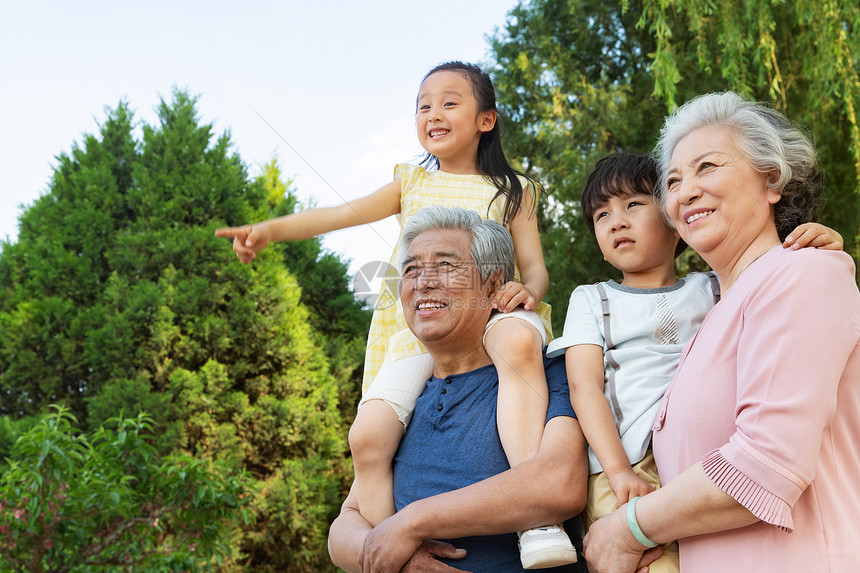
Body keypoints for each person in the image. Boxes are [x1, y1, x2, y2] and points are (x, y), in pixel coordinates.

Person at [216, 61, 577, 566]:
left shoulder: (514, 189)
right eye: (423, 105)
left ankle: (536, 520)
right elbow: (341, 214)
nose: (433, 113)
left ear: (486, 120)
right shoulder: (409, 182)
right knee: (367, 436)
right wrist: (270, 230)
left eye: (450, 102)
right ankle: (397, 541)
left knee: (518, 344)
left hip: (490, 313)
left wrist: (527, 292)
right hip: (416, 333)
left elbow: (536, 268)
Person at [582, 91, 860, 573]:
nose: (685, 191)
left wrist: (626, 528)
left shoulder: (801, 274)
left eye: (707, 166)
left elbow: (766, 464)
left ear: (771, 180)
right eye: (673, 180)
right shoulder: (708, 314)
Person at [328, 206, 589, 572]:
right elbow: (347, 520)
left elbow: (559, 485)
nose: (423, 282)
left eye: (446, 265)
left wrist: (410, 523)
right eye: (411, 269)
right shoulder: (402, 401)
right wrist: (393, 557)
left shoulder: (552, 371)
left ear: (494, 284)